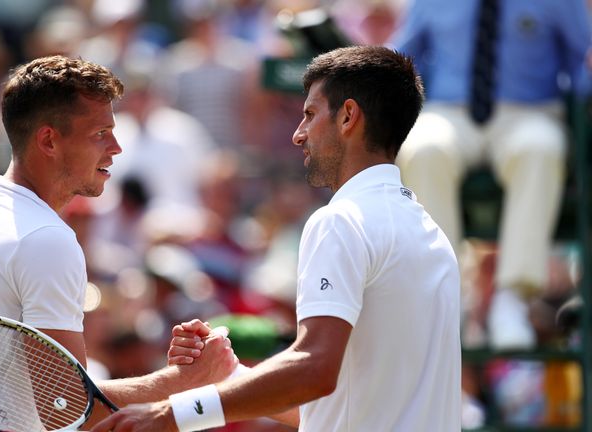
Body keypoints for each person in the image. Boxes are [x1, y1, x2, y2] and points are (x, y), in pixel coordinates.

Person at [90, 45, 462, 432]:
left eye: (310, 115)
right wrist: (229, 375)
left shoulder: (341, 221)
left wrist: (172, 413)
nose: (299, 135)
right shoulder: (431, 235)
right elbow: (330, 410)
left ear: (348, 116)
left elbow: (315, 369)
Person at [0, 55, 237, 432]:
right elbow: (68, 410)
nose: (117, 147)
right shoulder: (47, 240)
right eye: (100, 133)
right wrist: (184, 381)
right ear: (49, 141)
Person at [389, 0, 592, 350]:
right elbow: (401, 57)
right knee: (424, 148)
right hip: (449, 111)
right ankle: (447, 301)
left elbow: (582, 58)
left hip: (531, 112)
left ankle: (513, 301)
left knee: (540, 148)